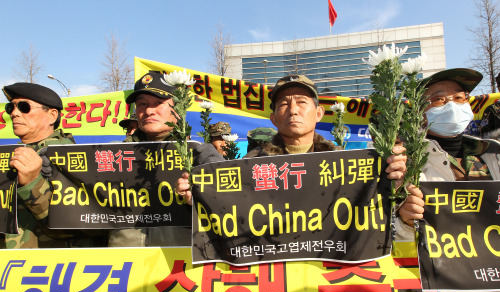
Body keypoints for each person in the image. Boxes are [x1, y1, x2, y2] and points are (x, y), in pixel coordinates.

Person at [176, 74, 407, 204]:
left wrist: (393, 185)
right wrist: (197, 198)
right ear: (273, 118)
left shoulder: (344, 161)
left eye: (302, 102)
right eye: (284, 104)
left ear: (318, 114)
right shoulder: (250, 164)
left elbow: (371, 209)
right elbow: (231, 207)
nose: (293, 110)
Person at [396, 68, 500, 240]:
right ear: (419, 113)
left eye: (459, 98)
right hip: (443, 261)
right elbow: (384, 236)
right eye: (439, 99)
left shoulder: (493, 153)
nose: (452, 105)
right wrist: (406, 222)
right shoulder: (405, 162)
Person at [2, 82, 106, 248]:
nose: (14, 113)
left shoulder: (77, 159)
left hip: (51, 268)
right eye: (11, 107)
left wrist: (32, 184)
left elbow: (83, 226)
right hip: (9, 267)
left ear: (51, 115)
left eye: (24, 107)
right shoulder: (8, 156)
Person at [108, 71, 191, 247]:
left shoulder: (198, 155)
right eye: (142, 104)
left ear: (177, 107)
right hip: (124, 265)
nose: (149, 111)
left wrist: (201, 197)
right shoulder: (112, 156)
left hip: (177, 264)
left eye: (159, 103)